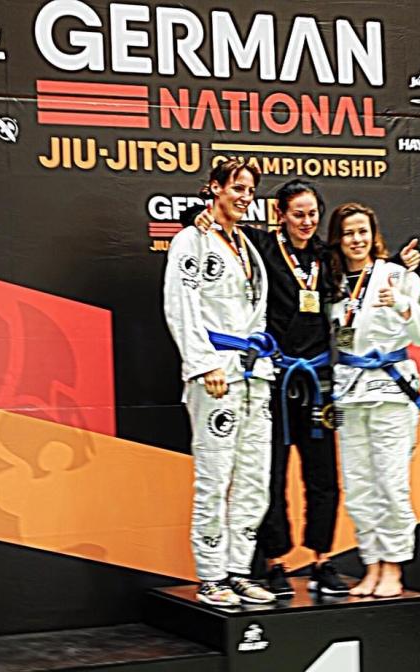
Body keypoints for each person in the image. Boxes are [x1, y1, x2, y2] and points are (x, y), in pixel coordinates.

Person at [182, 179, 420, 597]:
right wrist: (195, 217)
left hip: (320, 381)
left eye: (313, 214)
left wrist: (401, 264)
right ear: (280, 214)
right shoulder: (261, 245)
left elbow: (365, 269)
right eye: (298, 214)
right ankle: (275, 562)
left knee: (323, 474)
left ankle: (322, 559)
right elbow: (216, 225)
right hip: (275, 377)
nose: (307, 222)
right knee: (270, 475)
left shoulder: (326, 257)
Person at [163, 159, 276, 606]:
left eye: (250, 190)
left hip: (254, 372)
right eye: (237, 188)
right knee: (215, 475)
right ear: (214, 188)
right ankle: (211, 576)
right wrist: (202, 363)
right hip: (216, 372)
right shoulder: (192, 239)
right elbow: (181, 304)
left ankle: (238, 570)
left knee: (253, 479)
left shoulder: (247, 244)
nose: (245, 197)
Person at [327, 203, 420, 598]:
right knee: (358, 485)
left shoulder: (399, 276)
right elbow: (338, 335)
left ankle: (393, 566)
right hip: (349, 392)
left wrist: (401, 305)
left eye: (362, 231)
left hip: (391, 391)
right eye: (348, 233)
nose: (356, 240)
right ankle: (371, 564)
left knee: (391, 483)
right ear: (338, 240)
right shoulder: (334, 284)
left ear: (373, 234)